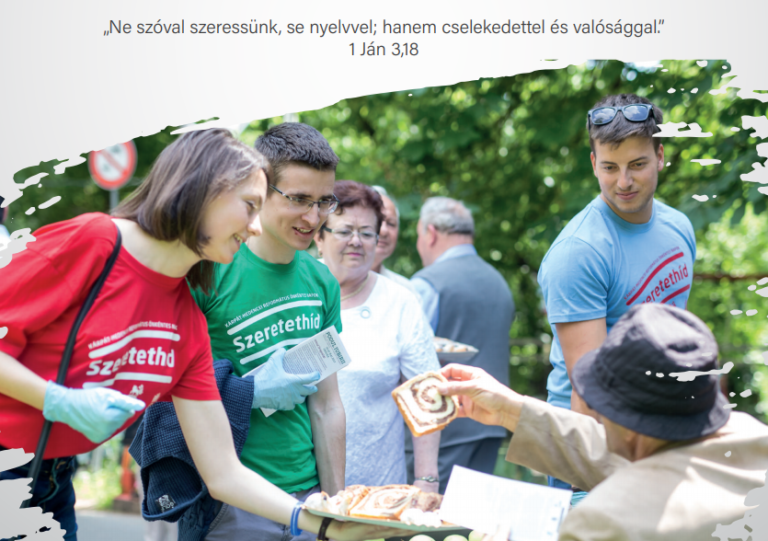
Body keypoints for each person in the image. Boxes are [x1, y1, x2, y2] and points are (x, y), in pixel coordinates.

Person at [0, 128, 405, 541]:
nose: (255, 227)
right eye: (250, 206)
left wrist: (324, 523)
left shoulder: (186, 317)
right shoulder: (96, 241)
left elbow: (224, 472)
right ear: (205, 193)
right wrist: (56, 399)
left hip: (50, 478)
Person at [437, 303, 768, 541]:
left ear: (625, 424)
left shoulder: (608, 521)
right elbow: (620, 456)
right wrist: (510, 410)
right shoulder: (752, 439)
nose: (597, 415)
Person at [190, 123, 349, 541]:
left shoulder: (321, 282)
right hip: (234, 500)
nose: (313, 218)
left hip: (310, 496)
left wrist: (336, 507)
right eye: (298, 199)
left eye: (324, 201)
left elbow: (327, 404)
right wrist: (251, 391)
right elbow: (173, 394)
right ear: (261, 188)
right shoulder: (211, 272)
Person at [538, 94, 696, 496]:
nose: (623, 182)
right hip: (594, 449)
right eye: (610, 167)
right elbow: (589, 395)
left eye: (637, 165)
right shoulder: (579, 252)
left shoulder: (679, 227)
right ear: (594, 164)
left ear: (660, 156)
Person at [314, 180, 441, 492]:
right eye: (345, 231)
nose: (356, 241)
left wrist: (426, 479)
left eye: (367, 233)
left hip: (377, 489)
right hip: (297, 487)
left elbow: (426, 394)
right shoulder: (296, 293)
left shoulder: (400, 302)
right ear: (319, 236)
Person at [407, 197, 515, 494]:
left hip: (444, 429)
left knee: (430, 516)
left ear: (430, 233)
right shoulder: (499, 282)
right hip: (492, 425)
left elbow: (410, 353)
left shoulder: (427, 283)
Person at [370, 185, 418, 296]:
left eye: (391, 223)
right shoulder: (330, 281)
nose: (384, 231)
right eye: (377, 221)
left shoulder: (405, 290)